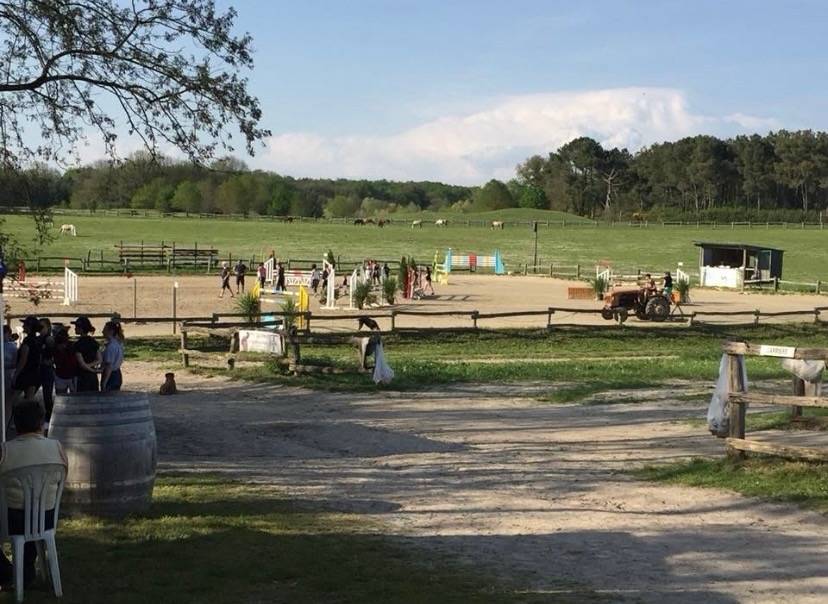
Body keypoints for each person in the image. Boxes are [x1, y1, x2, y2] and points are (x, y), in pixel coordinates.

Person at [0, 399, 67, 589]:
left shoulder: (5, 451)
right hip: (46, 518)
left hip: (11, 521)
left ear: (16, 424)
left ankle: (8, 574)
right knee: (32, 506)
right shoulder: (57, 449)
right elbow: (63, 476)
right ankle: (25, 571)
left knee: (17, 509)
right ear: (41, 422)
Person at [13, 316, 41, 402]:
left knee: (12, 399)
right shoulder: (37, 340)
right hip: (35, 373)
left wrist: (16, 375)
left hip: (25, 374)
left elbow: (23, 359)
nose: (23, 326)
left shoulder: (27, 341)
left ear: (29, 327)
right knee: (30, 400)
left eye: (25, 324)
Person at [72, 316, 100, 392]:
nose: (75, 328)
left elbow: (82, 364)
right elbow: (99, 359)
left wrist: (88, 367)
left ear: (81, 329)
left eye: (77, 327)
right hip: (93, 377)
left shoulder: (77, 345)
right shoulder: (94, 342)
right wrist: (92, 368)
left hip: (82, 376)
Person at [38, 319, 56, 423]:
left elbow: (53, 354)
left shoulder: (49, 339)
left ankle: (49, 417)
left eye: (42, 327)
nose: (40, 329)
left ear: (48, 327)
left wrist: (49, 361)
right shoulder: (38, 339)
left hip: (47, 369)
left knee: (47, 395)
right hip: (38, 368)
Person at [100, 321, 124, 392]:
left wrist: (104, 383)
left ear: (111, 331)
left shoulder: (111, 347)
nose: (102, 331)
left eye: (104, 329)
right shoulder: (118, 344)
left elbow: (109, 366)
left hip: (111, 375)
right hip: (117, 373)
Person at [52, 327, 77, 395]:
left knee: (70, 397)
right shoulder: (55, 348)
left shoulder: (73, 347)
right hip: (62, 375)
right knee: (61, 397)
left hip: (69, 376)